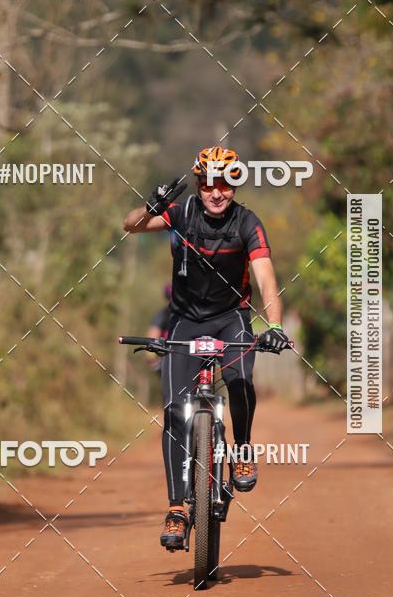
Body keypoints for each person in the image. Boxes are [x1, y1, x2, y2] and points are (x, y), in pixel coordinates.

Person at [122, 146, 290, 550]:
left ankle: (242, 450)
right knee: (174, 412)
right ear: (198, 185)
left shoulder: (248, 222)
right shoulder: (181, 214)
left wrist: (274, 325)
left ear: (235, 186)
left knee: (240, 380)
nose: (217, 192)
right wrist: (150, 206)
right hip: (185, 320)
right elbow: (130, 226)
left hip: (231, 317)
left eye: (225, 185)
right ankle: (177, 509)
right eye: (209, 184)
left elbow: (265, 278)